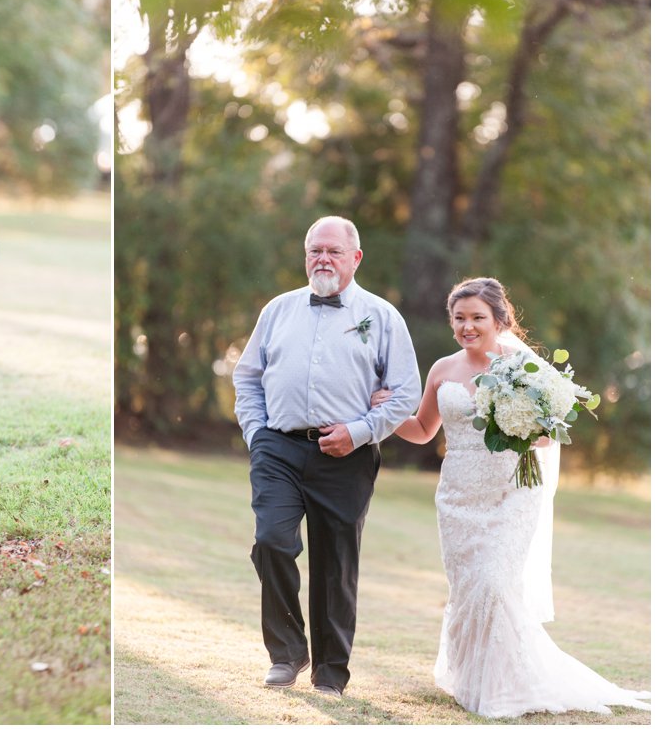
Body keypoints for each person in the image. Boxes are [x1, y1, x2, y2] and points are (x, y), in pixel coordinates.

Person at [370, 277, 651, 718]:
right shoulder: (443, 369)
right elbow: (423, 431)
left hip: (513, 491)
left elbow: (547, 436)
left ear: (499, 320)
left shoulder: (523, 369)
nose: (467, 326)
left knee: (495, 583)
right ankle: (473, 679)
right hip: (458, 496)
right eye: (459, 318)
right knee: (468, 590)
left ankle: (508, 688)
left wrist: (517, 425)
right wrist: (383, 410)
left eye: (477, 318)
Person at [232, 216, 421, 697]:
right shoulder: (278, 310)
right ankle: (287, 652)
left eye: (334, 251)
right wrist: (257, 434)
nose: (323, 259)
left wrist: (359, 432)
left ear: (355, 258)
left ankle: (330, 675)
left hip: (347, 456)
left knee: (336, 565)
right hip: (278, 445)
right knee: (272, 541)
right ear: (305, 256)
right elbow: (247, 377)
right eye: (315, 250)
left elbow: (405, 394)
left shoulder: (381, 317)